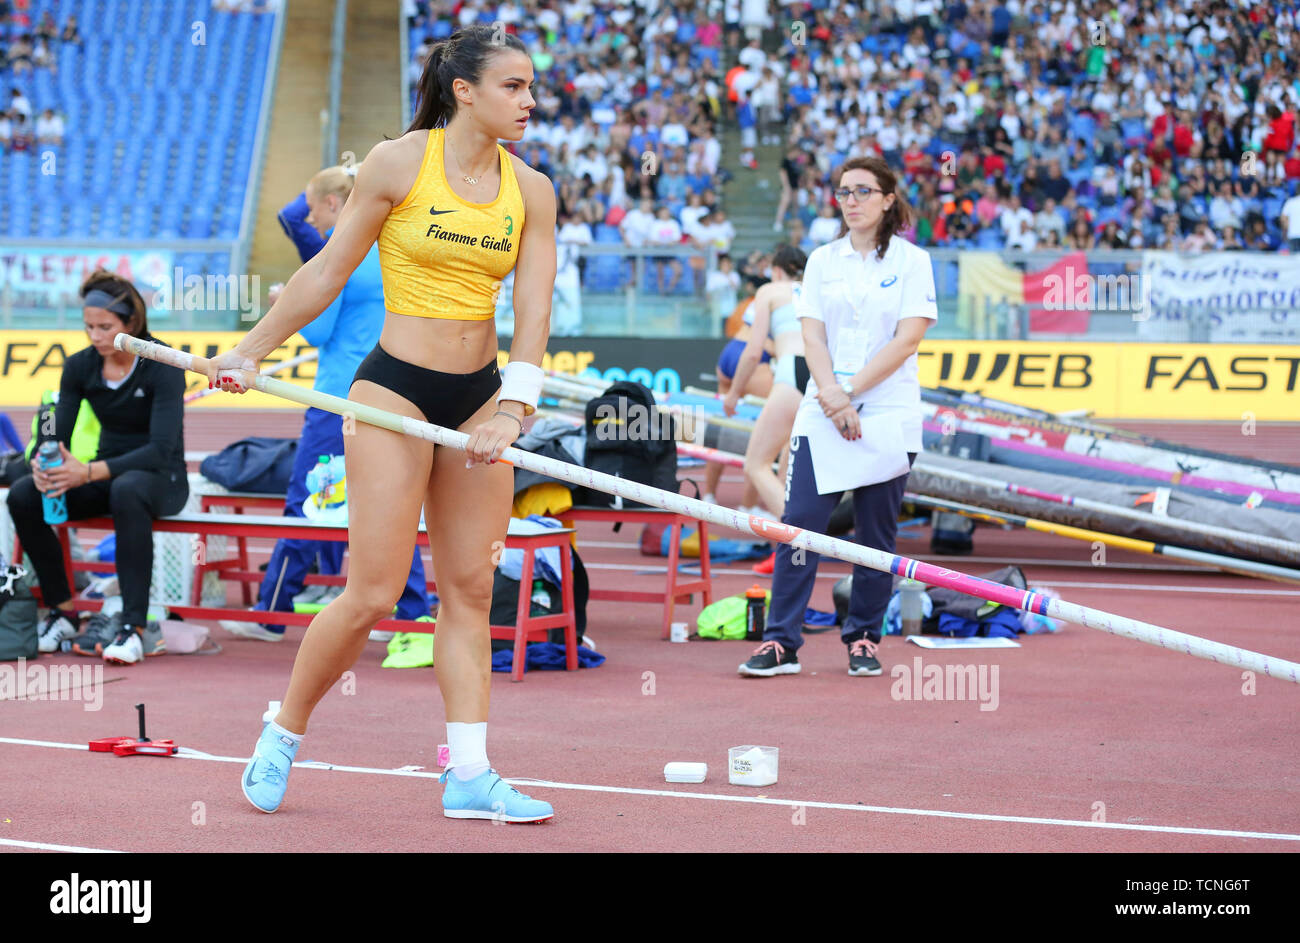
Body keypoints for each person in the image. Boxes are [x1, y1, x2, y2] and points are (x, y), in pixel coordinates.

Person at [206, 24, 555, 823]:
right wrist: (252, 350)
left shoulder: (532, 189)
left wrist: (513, 406)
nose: (530, 101)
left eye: (532, 87)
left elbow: (534, 306)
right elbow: (327, 269)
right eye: (514, 86)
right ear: (464, 90)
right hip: (393, 390)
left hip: (479, 395)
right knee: (371, 590)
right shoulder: (401, 162)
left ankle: (468, 772)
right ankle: (283, 730)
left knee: (469, 589)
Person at [739, 156, 937, 679]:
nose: (851, 201)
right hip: (822, 407)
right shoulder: (823, 260)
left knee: (876, 535)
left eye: (863, 191)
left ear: (888, 198)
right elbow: (812, 336)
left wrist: (848, 392)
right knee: (799, 525)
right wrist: (831, 394)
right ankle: (782, 641)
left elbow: (908, 339)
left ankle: (866, 638)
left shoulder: (913, 261)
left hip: (888, 409)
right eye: (844, 192)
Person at [218, 165, 431, 644]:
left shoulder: (338, 250)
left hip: (338, 398)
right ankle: (412, 611)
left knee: (311, 500)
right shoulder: (389, 246)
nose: (309, 221)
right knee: (389, 507)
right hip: (391, 395)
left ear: (335, 205)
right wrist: (348, 176)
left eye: (317, 210)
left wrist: (283, 300)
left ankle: (272, 612)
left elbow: (316, 330)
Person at [6, 270, 189, 664]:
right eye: (89, 326)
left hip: (162, 479)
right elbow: (54, 423)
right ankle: (63, 610)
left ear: (132, 324)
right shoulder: (79, 367)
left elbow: (160, 450)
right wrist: (45, 455)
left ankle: (133, 626)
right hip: (107, 475)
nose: (95, 335)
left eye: (105, 327)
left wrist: (87, 472)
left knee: (128, 488)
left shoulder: (164, 365)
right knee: (23, 494)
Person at [725, 245, 807, 563]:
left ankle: (798, 538)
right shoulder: (818, 289)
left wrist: (734, 393)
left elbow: (751, 350)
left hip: (792, 370)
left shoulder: (770, 291)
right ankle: (791, 551)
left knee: (756, 464)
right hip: (823, 377)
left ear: (776, 270)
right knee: (788, 467)